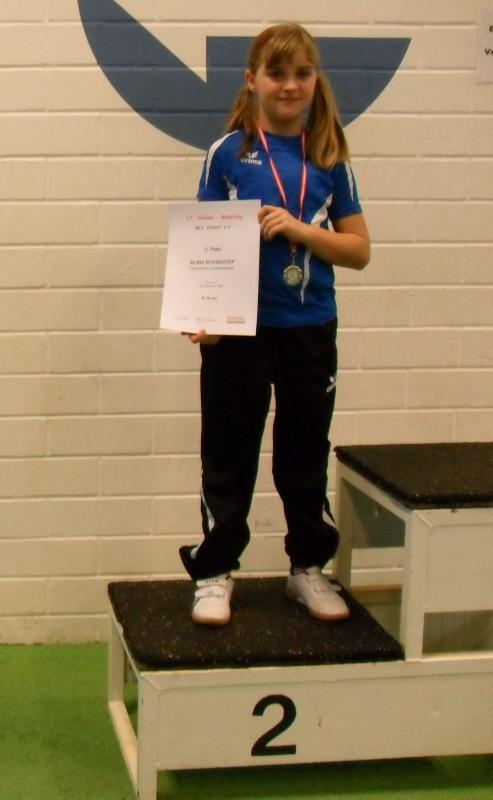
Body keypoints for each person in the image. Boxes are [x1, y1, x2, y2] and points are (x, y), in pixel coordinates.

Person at [180, 22, 370, 625]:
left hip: (310, 326)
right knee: (228, 450)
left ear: (315, 81)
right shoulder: (227, 154)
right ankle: (214, 571)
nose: (290, 85)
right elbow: (205, 243)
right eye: (277, 73)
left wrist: (299, 229)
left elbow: (359, 249)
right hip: (238, 332)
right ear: (252, 80)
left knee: (304, 451)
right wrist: (203, 314)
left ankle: (307, 569)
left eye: (302, 74)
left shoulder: (330, 156)